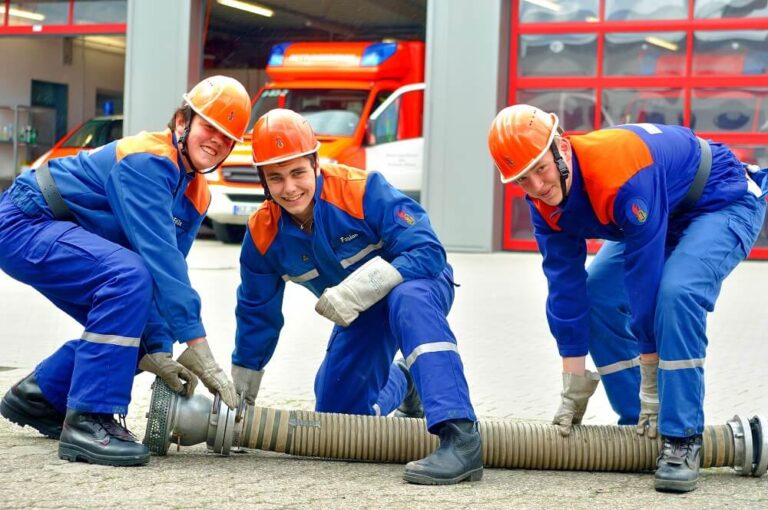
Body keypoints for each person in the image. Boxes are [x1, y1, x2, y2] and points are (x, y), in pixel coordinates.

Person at [487, 104, 767, 493]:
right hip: (659, 211)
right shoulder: (543, 204)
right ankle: (641, 429)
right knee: (597, 295)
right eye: (523, 179)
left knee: (676, 293)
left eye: (540, 169)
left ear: (562, 149)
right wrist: (572, 380)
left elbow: (644, 279)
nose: (536, 186)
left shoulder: (618, 172)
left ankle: (681, 437)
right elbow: (564, 285)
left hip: (720, 200)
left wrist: (652, 378)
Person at [0, 76, 249, 466]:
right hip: (25, 222)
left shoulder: (196, 194)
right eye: (209, 125)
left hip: (59, 232)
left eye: (227, 136)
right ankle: (88, 421)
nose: (217, 140)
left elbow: (169, 279)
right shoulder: (147, 160)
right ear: (182, 122)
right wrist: (198, 347)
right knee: (128, 275)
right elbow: (158, 260)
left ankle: (41, 397)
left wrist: (161, 349)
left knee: (139, 316)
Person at [231, 108, 482, 485]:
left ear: (315, 163)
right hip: (362, 315)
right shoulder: (263, 236)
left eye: (298, 172)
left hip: (418, 285)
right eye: (276, 178)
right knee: (338, 419)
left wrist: (358, 289)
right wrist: (241, 400)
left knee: (408, 300)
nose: (290, 188)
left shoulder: (361, 190)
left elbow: (429, 251)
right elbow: (256, 315)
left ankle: (460, 437)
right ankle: (405, 381)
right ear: (263, 181)